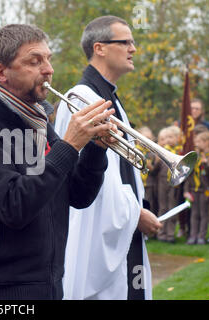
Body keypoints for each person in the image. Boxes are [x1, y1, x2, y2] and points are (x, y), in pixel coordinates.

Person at [0, 23, 119, 300]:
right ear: (1, 72)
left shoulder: (38, 122)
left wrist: (95, 150)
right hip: (0, 291)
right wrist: (68, 146)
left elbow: (79, 195)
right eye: (34, 60)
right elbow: (14, 206)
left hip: (50, 283)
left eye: (48, 59)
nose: (48, 69)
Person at [55, 16, 162, 300]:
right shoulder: (80, 98)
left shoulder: (110, 98)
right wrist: (136, 214)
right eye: (125, 42)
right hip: (94, 237)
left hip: (119, 226)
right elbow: (85, 180)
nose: (133, 49)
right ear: (99, 48)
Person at [184, 131, 209, 244]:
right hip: (193, 190)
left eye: (198, 141)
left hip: (206, 191)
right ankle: (193, 236)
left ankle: (201, 236)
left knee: (204, 214)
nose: (196, 144)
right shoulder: (195, 157)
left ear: (206, 142)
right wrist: (186, 191)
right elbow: (189, 174)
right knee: (194, 214)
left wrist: (207, 164)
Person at [156, 126, 179, 243]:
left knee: (172, 207)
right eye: (164, 139)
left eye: (170, 137)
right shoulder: (159, 153)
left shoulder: (178, 152)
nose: (167, 141)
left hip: (173, 182)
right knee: (163, 207)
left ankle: (170, 234)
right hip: (162, 182)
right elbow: (154, 171)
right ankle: (161, 232)